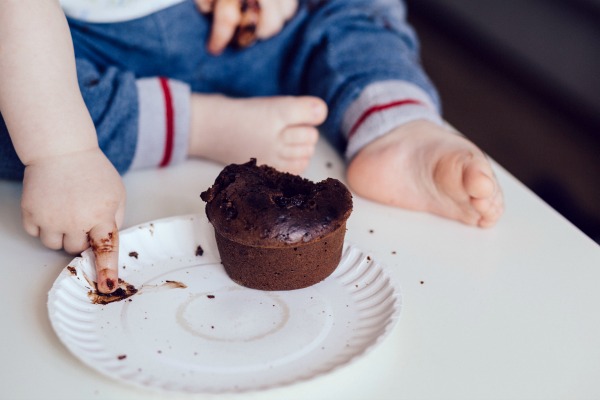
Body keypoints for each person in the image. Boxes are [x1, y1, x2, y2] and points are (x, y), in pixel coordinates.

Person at [0, 0, 503, 294]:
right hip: (70, 55)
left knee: (353, 10)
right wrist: (61, 152)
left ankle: (393, 122)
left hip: (252, 31)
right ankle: (200, 123)